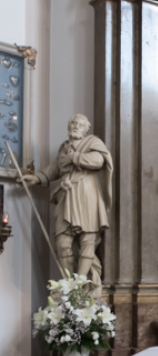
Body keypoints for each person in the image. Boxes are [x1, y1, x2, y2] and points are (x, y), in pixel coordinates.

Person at [22, 113, 112, 295]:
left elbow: (98, 161)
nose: (75, 126)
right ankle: (69, 285)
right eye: (73, 123)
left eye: (80, 124)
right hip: (66, 195)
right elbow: (53, 170)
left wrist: (74, 158)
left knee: (88, 239)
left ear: (86, 129)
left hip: (87, 194)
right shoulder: (64, 148)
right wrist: (37, 178)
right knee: (63, 242)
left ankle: (78, 288)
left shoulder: (93, 142)